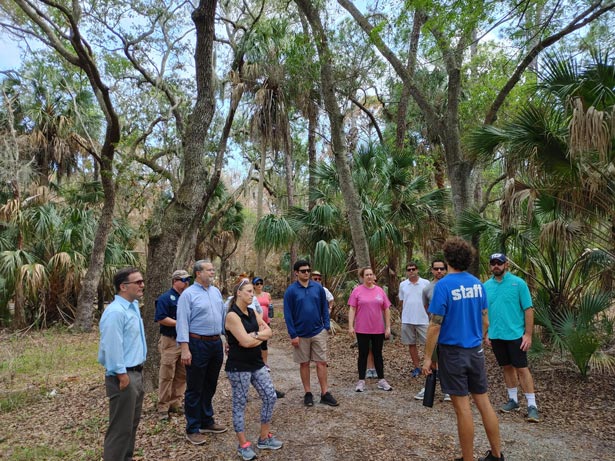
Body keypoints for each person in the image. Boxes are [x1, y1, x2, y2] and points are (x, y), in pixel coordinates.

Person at [423, 237, 504, 461]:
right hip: (475, 351)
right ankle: (497, 455)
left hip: (453, 353)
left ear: (448, 258)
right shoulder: (478, 284)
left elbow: (434, 326)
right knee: (483, 402)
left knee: (463, 408)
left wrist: (427, 358)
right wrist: (479, 336)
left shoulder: (444, 286)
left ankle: (468, 459)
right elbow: (485, 320)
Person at [225, 279, 283, 460]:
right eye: (248, 291)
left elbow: (269, 331)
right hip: (238, 366)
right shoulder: (232, 316)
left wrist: (254, 335)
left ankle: (264, 438)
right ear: (239, 294)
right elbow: (244, 342)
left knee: (270, 395)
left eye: (252, 291)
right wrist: (256, 337)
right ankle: (243, 445)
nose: (252, 294)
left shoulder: (252, 312)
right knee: (240, 404)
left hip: (257, 363)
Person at [483, 253, 540, 423]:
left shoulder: (518, 284)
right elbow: (484, 312)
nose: (496, 266)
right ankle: (513, 400)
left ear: (506, 264)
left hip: (515, 334)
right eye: (493, 263)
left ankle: (532, 405)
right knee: (506, 367)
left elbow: (528, 309)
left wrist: (528, 335)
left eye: (499, 263)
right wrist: (486, 333)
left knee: (522, 368)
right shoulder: (486, 286)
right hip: (496, 335)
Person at [98, 267, 147, 461]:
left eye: (142, 281)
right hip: (124, 376)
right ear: (123, 286)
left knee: (130, 425)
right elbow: (111, 345)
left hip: (136, 373)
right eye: (138, 282)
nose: (142, 285)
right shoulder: (115, 312)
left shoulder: (132, 307)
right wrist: (121, 374)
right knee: (120, 428)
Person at [176, 260, 228, 445]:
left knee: (210, 384)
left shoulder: (215, 292)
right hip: (197, 344)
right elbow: (182, 322)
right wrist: (184, 348)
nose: (213, 272)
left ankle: (207, 420)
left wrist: (226, 339)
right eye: (209, 270)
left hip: (215, 343)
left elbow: (222, 317)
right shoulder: (188, 295)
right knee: (195, 387)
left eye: (213, 269)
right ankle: (192, 428)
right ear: (198, 273)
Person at [283, 259, 339, 407]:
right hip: (300, 334)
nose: (306, 273)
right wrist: (293, 334)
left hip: (318, 331)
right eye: (303, 271)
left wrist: (326, 326)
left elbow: (324, 307)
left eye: (308, 270)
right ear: (296, 273)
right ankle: (308, 393)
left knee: (321, 362)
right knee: (304, 363)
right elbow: (288, 314)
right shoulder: (291, 291)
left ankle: (325, 393)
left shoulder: (317, 288)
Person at [348, 266, 392, 392]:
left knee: (378, 354)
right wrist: (351, 326)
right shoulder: (357, 291)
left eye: (371, 274)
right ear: (362, 277)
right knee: (363, 354)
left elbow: (386, 309)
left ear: (374, 276)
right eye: (366, 275)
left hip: (378, 329)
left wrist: (388, 327)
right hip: (362, 329)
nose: (369, 277)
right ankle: (361, 381)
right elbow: (352, 309)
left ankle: (382, 380)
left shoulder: (380, 291)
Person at [154, 269, 191, 421]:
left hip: (184, 342)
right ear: (175, 281)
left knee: (181, 374)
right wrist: (180, 324)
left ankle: (176, 403)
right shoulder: (165, 298)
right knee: (167, 374)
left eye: (188, 280)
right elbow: (161, 318)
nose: (186, 282)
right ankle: (163, 406)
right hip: (170, 340)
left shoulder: (187, 297)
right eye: (183, 280)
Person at [414, 259, 451, 402]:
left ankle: (448, 388)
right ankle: (429, 387)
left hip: (450, 328)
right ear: (432, 270)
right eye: (436, 269)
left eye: (442, 268)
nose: (439, 271)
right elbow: (427, 308)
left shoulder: (451, 285)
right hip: (434, 328)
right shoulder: (427, 289)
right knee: (433, 358)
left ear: (446, 270)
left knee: (447, 359)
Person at [398, 261, 430, 377]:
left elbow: (429, 300)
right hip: (407, 319)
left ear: (417, 270)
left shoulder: (425, 283)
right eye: (409, 270)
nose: (411, 271)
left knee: (428, 344)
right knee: (411, 344)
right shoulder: (403, 285)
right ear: (406, 272)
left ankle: (431, 366)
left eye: (413, 269)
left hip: (423, 319)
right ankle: (417, 367)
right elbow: (402, 301)